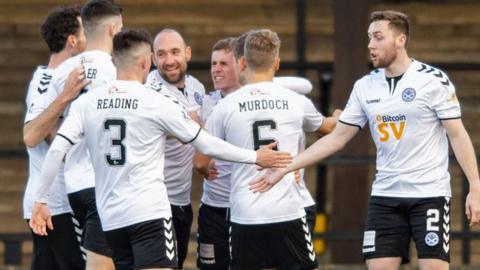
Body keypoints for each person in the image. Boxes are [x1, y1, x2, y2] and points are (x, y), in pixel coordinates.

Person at [29, 29, 292, 270]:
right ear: (147, 62)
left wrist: (41, 199)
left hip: (107, 215)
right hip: (148, 215)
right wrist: (255, 156)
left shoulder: (87, 103)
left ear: (113, 61)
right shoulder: (156, 102)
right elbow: (205, 143)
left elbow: (57, 149)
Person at [251, 10, 480, 270]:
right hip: (385, 196)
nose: (370, 44)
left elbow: (457, 134)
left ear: (401, 40)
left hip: (429, 194)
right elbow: (337, 139)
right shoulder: (365, 86)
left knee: (433, 267)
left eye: (378, 37)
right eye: (369, 37)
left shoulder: (432, 80)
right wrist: (286, 166)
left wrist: (475, 186)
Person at [206, 29, 338, 270]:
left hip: (244, 214)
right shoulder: (296, 101)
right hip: (287, 211)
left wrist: (207, 169)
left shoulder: (225, 106)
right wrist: (339, 115)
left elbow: (202, 155)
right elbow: (328, 128)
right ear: (276, 63)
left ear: (242, 62)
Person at [39, 0, 123, 269]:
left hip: (75, 186)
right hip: (107, 183)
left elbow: (50, 131)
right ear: (112, 29)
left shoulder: (62, 71)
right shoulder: (119, 70)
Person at [22, 5, 87, 270]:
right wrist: (66, 97)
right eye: (85, 32)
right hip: (55, 206)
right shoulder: (49, 80)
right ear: (72, 40)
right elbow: (31, 135)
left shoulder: (59, 78)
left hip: (53, 203)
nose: (89, 39)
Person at [145, 28, 205, 269]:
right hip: (155, 201)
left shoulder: (196, 86)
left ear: (187, 53)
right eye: (161, 54)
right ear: (152, 59)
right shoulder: (149, 90)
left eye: (175, 52)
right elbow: (190, 129)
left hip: (181, 199)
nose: (169, 60)